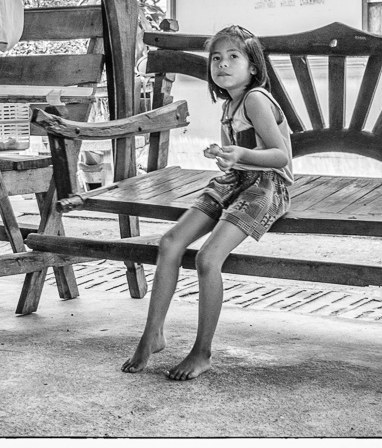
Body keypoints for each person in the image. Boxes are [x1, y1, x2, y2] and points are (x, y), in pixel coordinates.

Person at [122, 25, 293, 380]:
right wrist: (226, 156)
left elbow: (280, 157)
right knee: (170, 243)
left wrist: (240, 153)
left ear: (253, 67)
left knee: (207, 258)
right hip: (237, 182)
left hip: (268, 187)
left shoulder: (256, 99)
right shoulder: (230, 103)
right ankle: (152, 335)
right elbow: (240, 158)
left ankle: (202, 352)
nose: (222, 64)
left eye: (233, 57)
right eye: (216, 58)